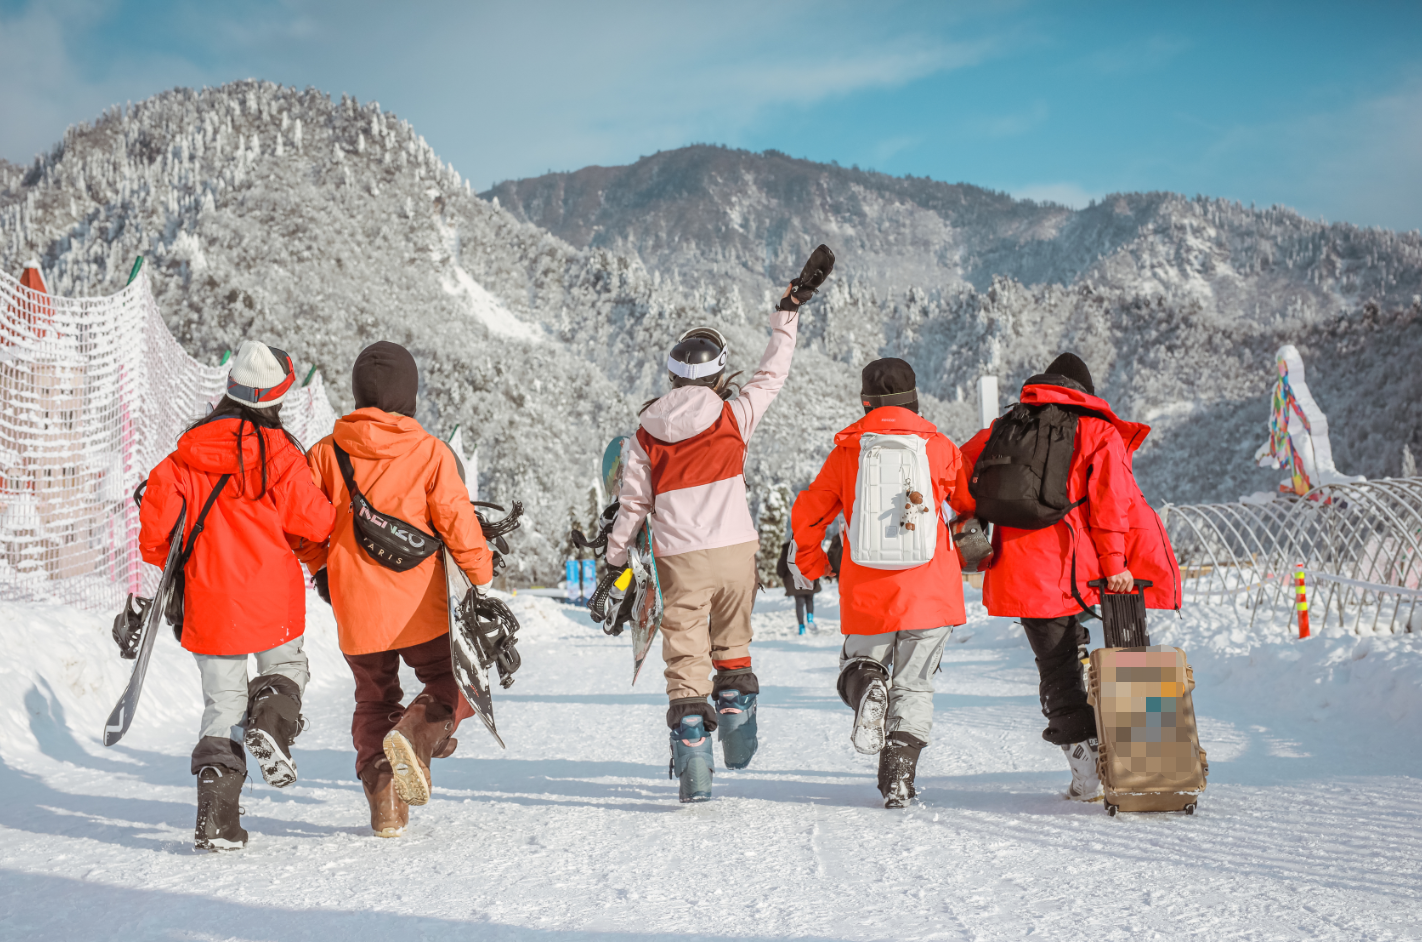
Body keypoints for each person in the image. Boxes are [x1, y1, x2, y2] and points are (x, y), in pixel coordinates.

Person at [603, 282, 810, 802]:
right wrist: (786, 315)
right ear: (718, 374)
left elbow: (633, 508)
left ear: (672, 375)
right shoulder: (733, 416)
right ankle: (738, 717)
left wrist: (615, 556)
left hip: (679, 559)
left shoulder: (643, 438)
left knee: (686, 655)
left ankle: (693, 743)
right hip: (738, 553)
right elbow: (773, 374)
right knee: (732, 646)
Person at [951, 353, 1180, 801]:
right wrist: (1116, 565)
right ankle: (1143, 763)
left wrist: (971, 514)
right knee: (1127, 653)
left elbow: (956, 469)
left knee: (1055, 665)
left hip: (1021, 568)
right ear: (1084, 392)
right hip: (1082, 568)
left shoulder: (1006, 427)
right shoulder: (1097, 431)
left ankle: (1084, 766)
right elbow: (1111, 505)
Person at [137, 340, 336, 851]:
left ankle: (218, 821)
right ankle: (271, 720)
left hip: (211, 603)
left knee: (222, 704)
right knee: (286, 671)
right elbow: (316, 522)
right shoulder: (282, 457)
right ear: (276, 398)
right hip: (273, 598)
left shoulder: (183, 457)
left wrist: (193, 566)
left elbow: (155, 539)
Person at [297, 341, 493, 837]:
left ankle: (386, 806)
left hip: (356, 607)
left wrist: (324, 571)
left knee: (372, 696)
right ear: (409, 395)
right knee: (451, 685)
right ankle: (416, 735)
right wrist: (480, 576)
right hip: (421, 606)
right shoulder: (429, 452)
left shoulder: (324, 453)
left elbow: (302, 527)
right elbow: (458, 524)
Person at [789, 358, 968, 808]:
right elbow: (966, 502)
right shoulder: (940, 447)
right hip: (929, 589)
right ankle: (898, 779)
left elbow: (808, 514)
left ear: (866, 402)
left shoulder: (849, 451)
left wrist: (813, 565)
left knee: (860, 664)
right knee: (915, 687)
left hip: (867, 589)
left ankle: (869, 682)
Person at [775, 539, 821, 635]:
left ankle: (801, 627)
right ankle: (810, 619)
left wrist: (782, 574)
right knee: (809, 599)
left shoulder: (788, 546)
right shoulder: (810, 544)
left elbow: (782, 564)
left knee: (799, 603)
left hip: (794, 579)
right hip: (809, 577)